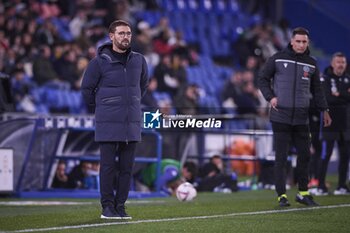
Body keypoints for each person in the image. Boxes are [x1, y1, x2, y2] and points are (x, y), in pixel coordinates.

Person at [81, 20, 149, 220]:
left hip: (131, 123)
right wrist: (104, 107)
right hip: (108, 123)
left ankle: (120, 206)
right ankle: (107, 208)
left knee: (127, 168)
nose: (125, 36)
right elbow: (86, 90)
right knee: (108, 167)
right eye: (121, 33)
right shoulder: (99, 62)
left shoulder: (139, 60)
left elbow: (142, 86)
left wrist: (131, 103)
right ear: (111, 36)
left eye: (128, 33)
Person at [258, 27, 332, 207]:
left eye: (304, 42)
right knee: (281, 158)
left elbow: (318, 90)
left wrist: (325, 110)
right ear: (292, 41)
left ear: (308, 43)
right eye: (298, 41)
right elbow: (262, 78)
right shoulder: (277, 58)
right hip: (280, 116)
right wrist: (270, 97)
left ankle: (303, 193)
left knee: (305, 155)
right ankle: (281, 195)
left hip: (301, 117)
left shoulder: (312, 63)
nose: (300, 44)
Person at [315, 52, 350, 196]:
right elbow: (327, 99)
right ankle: (321, 186)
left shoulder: (348, 78)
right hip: (329, 123)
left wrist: (338, 95)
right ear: (332, 63)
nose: (340, 65)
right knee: (326, 155)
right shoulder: (325, 79)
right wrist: (345, 95)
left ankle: (341, 186)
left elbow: (337, 97)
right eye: (338, 62)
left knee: (345, 156)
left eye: (343, 62)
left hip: (346, 123)